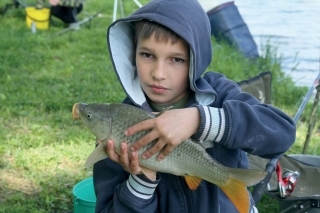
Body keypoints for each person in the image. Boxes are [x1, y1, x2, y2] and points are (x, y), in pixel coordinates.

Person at [93, 0, 296, 212]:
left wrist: (201, 120)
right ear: (132, 51)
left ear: (196, 60)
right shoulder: (117, 126)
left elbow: (282, 135)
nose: (158, 73)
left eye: (177, 59)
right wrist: (141, 181)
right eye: (147, 55)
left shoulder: (220, 93)